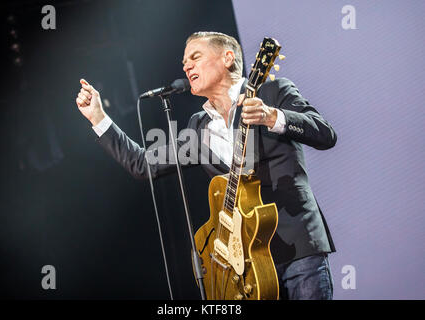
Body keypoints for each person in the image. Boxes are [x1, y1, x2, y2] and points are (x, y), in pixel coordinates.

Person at [75, 31, 337, 300]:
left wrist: (273, 117)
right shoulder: (199, 126)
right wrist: (98, 118)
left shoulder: (273, 92)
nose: (187, 66)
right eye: (184, 62)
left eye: (195, 57)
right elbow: (143, 164)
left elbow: (325, 134)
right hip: (245, 265)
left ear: (227, 57)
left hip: (297, 248)